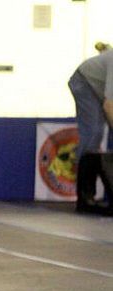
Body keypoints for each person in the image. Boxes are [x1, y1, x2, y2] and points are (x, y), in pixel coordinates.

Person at [69, 43, 113, 215]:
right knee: (94, 132)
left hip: (101, 85)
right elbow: (109, 105)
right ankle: (85, 197)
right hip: (84, 81)